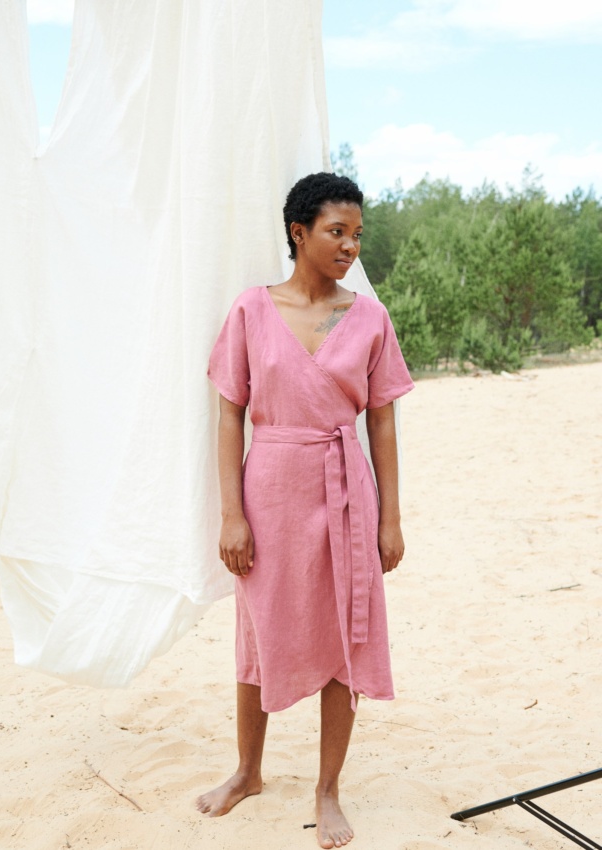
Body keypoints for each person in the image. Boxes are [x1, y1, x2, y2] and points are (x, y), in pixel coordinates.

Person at [198, 172, 414, 849]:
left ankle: (327, 791)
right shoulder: (251, 311)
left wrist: (390, 518)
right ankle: (247, 771)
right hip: (271, 487)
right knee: (258, 632)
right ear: (299, 233)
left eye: (356, 235)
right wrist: (231, 514)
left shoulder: (370, 318)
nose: (350, 246)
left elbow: (382, 423)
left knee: (344, 639)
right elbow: (230, 415)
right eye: (336, 232)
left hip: (345, 487)